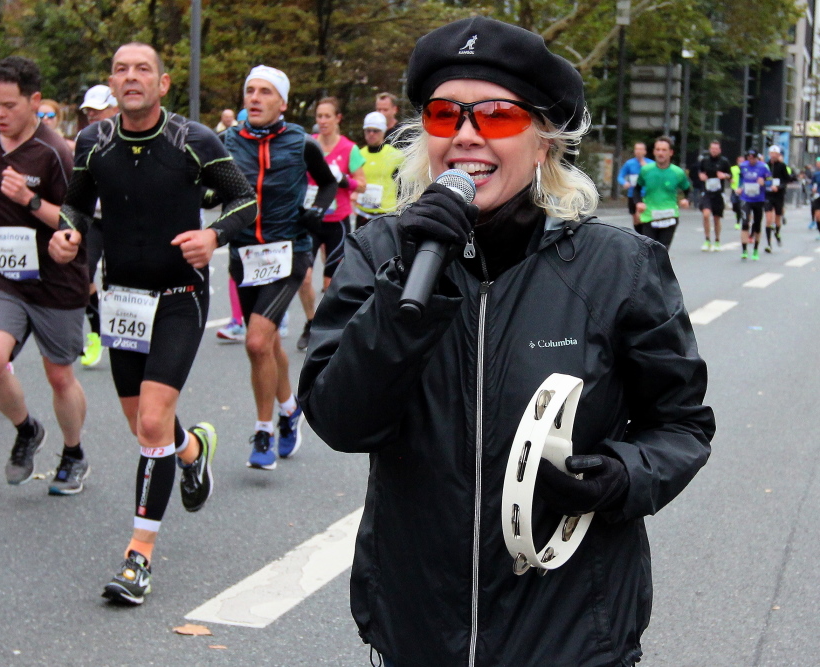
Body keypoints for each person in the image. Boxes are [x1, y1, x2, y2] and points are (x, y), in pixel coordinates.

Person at [299, 17, 713, 667]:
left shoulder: (621, 266)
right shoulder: (381, 253)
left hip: (571, 635)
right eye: (445, 114)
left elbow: (682, 425)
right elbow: (341, 420)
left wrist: (622, 477)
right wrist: (407, 290)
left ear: (543, 140)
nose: (466, 134)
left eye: (496, 114)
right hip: (417, 635)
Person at [52, 42, 257, 605]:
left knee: (150, 422)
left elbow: (244, 201)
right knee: (144, 425)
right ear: (112, 82)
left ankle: (137, 558)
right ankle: (191, 451)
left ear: (162, 84)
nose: (131, 77)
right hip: (123, 301)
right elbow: (76, 205)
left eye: (143, 69)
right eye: (121, 69)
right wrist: (68, 234)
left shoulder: (193, 140)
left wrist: (213, 236)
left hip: (178, 296)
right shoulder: (93, 142)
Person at [0, 56, 89, 495]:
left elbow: (76, 219)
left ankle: (73, 453)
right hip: (5, 272)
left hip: (57, 277)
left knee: (60, 376)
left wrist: (30, 201)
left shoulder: (55, 152)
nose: (0, 114)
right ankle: (27, 429)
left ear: (34, 101)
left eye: (9, 105)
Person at [222, 65, 337, 469]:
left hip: (287, 253)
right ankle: (290, 410)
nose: (255, 98)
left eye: (265, 92)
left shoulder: (300, 143)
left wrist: (316, 211)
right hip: (243, 255)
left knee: (255, 342)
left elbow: (328, 183)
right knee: (267, 344)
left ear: (283, 103)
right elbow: (206, 184)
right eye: (250, 90)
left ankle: (263, 431)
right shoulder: (227, 141)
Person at [296, 96, 366, 352]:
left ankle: (330, 329)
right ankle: (310, 323)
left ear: (338, 119)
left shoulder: (349, 148)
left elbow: (362, 184)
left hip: (337, 222)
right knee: (303, 278)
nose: (323, 121)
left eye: (327, 116)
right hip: (311, 220)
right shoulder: (308, 144)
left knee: (329, 284)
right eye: (319, 116)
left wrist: (343, 180)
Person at [77, 84, 120, 369]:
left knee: (125, 282)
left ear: (115, 109)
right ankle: (96, 331)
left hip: (123, 220)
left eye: (98, 109)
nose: (92, 115)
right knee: (80, 277)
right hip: (93, 220)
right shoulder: (84, 139)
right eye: (88, 110)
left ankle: (136, 331)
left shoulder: (133, 135)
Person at [632, 135, 691, 250]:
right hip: (649, 216)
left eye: (664, 150)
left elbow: (688, 190)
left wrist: (686, 200)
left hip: (669, 216)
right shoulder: (646, 170)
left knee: (662, 251)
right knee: (648, 251)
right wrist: (638, 202)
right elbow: (637, 189)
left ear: (671, 152)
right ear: (654, 152)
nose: (660, 153)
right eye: (658, 150)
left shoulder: (677, 172)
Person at [355, 111, 404, 228]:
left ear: (383, 131)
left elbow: (404, 184)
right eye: (368, 130)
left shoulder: (396, 155)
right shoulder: (358, 154)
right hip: (363, 212)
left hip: (386, 213)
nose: (371, 134)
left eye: (376, 131)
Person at [735, 149, 771, 260]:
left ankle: (755, 249)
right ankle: (744, 250)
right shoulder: (743, 166)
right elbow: (741, 178)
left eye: (753, 158)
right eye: (749, 158)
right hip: (746, 198)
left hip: (759, 199)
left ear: (757, 158)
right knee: (745, 223)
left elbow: (770, 181)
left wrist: (764, 182)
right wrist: (739, 187)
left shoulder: (763, 167)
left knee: (757, 224)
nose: (751, 160)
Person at [697, 140, 730, 251]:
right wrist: (701, 176)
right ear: (709, 149)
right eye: (712, 149)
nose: (714, 151)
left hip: (718, 193)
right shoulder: (704, 161)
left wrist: (725, 176)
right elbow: (699, 172)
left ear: (719, 150)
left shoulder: (724, 161)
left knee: (716, 218)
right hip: (707, 192)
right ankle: (707, 240)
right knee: (706, 215)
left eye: (716, 149)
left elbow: (730, 176)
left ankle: (717, 240)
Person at [764, 144, 793, 253]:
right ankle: (768, 244)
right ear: (769, 154)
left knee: (777, 219)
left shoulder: (782, 166)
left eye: (776, 154)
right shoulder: (765, 166)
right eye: (772, 153)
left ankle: (777, 233)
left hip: (778, 195)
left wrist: (779, 187)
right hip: (768, 195)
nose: (773, 156)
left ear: (778, 155)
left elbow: (787, 180)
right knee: (768, 219)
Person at [617, 141, 649, 231]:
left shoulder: (651, 164)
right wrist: (624, 183)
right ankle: (638, 233)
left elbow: (655, 177)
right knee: (636, 218)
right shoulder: (629, 163)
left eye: (641, 149)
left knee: (645, 217)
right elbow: (620, 176)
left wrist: (646, 168)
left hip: (647, 194)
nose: (638, 151)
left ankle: (645, 234)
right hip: (633, 194)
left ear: (645, 151)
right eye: (637, 149)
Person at [730, 154, 745, 230]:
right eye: (740, 161)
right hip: (734, 189)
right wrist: (730, 179)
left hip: (742, 191)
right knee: (734, 206)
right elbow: (728, 175)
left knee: (739, 206)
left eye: (742, 161)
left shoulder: (746, 169)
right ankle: (737, 213)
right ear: (737, 161)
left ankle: (738, 222)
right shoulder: (733, 169)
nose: (741, 162)